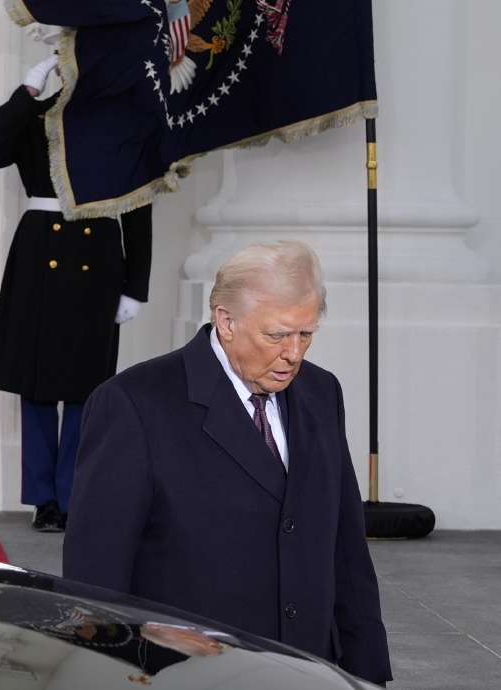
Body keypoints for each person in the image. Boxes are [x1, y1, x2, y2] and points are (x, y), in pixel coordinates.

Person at [62, 241, 392, 684]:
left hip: (311, 667)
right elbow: (95, 572)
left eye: (306, 334)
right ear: (225, 320)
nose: (294, 353)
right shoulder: (133, 404)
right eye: (276, 335)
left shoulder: (321, 393)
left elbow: (346, 549)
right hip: (190, 674)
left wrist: (367, 673)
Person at [0, 34, 152, 532]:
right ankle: (43, 499)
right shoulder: (35, 116)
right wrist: (26, 92)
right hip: (39, 256)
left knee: (83, 389)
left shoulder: (121, 123)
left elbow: (138, 206)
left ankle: (73, 496)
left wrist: (136, 283)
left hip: (97, 256)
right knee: (35, 387)